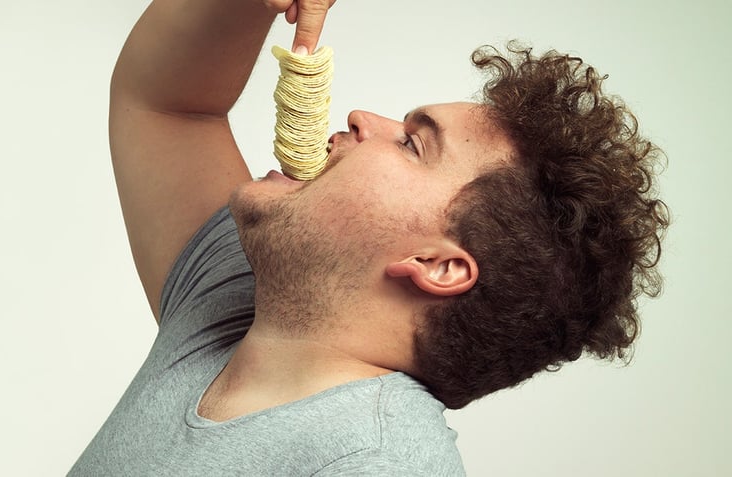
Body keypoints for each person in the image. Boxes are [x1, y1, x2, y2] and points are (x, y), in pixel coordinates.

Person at [69, 0, 669, 475]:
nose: (361, 117)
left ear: (438, 265)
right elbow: (171, 105)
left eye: (413, 143)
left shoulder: (377, 465)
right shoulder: (228, 312)